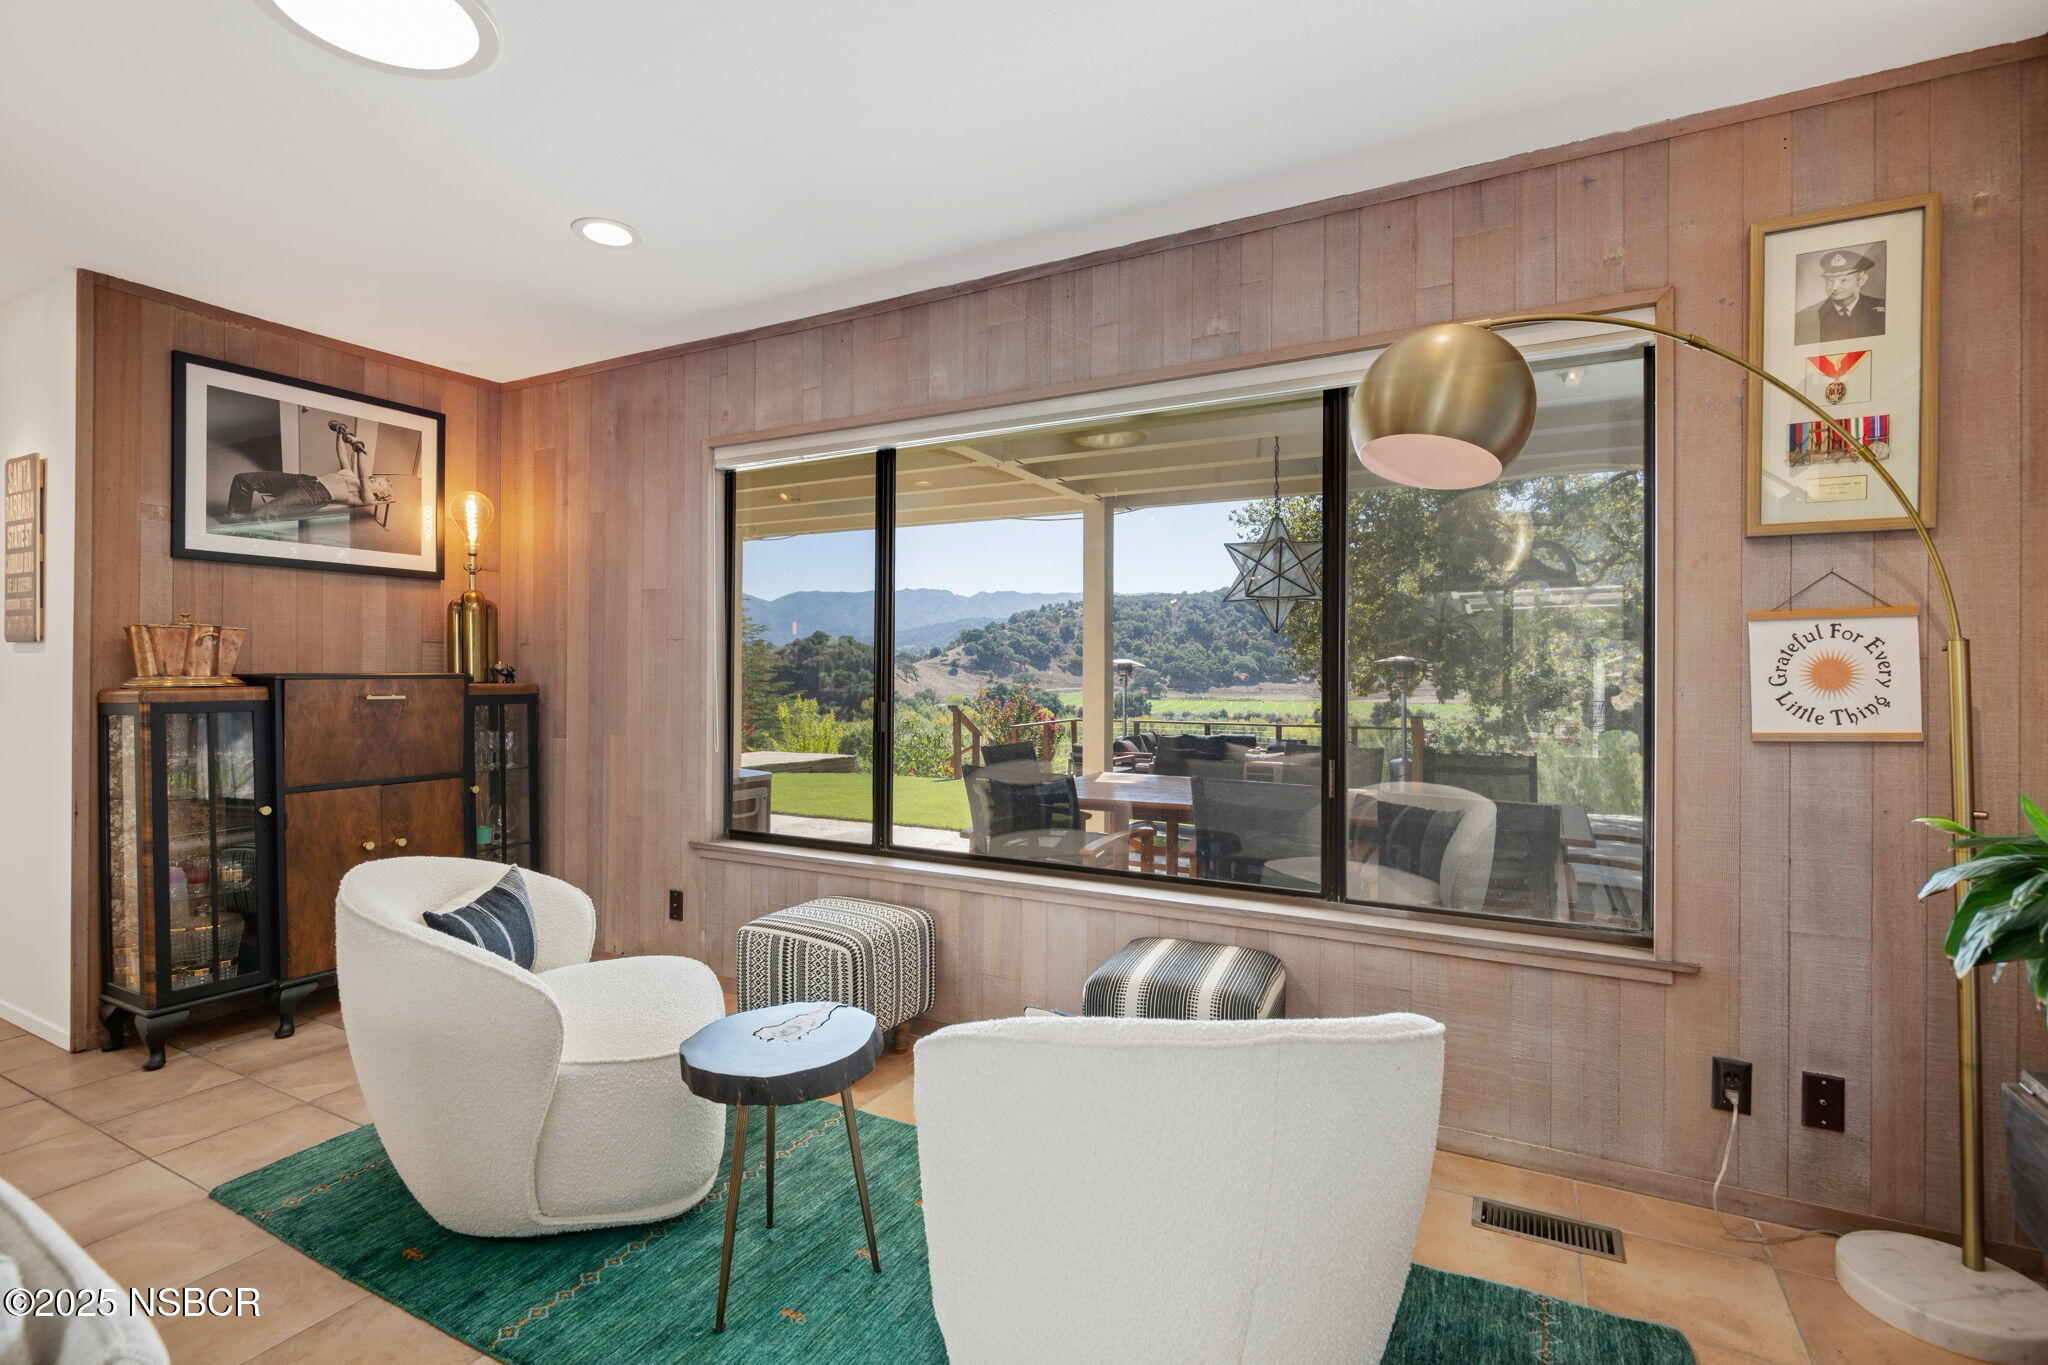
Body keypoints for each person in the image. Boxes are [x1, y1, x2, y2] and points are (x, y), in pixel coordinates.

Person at [1794, 249, 1885, 343]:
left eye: (1844, 281)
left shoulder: (1882, 308)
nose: (1834, 287)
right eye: (1830, 281)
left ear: (1862, 280)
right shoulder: (1808, 315)